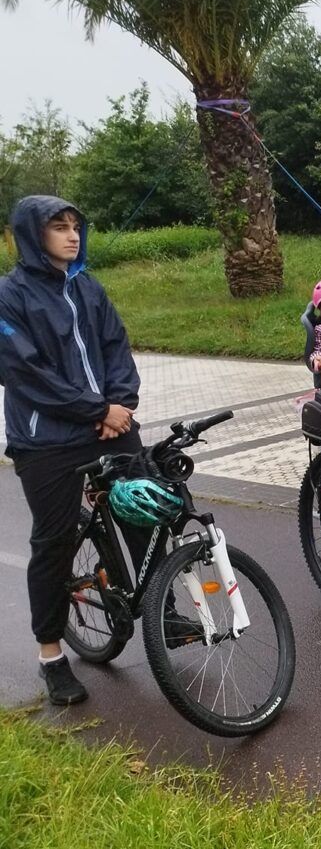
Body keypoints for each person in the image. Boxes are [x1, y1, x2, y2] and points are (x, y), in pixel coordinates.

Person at [0, 196, 153, 705]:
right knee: (55, 540)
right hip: (45, 440)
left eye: (75, 227)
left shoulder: (88, 287)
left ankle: (160, 602)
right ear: (31, 235)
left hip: (108, 424)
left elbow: (116, 347)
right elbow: (25, 373)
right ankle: (52, 655)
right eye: (58, 228)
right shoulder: (10, 296)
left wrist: (121, 404)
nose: (71, 236)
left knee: (144, 508)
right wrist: (95, 410)